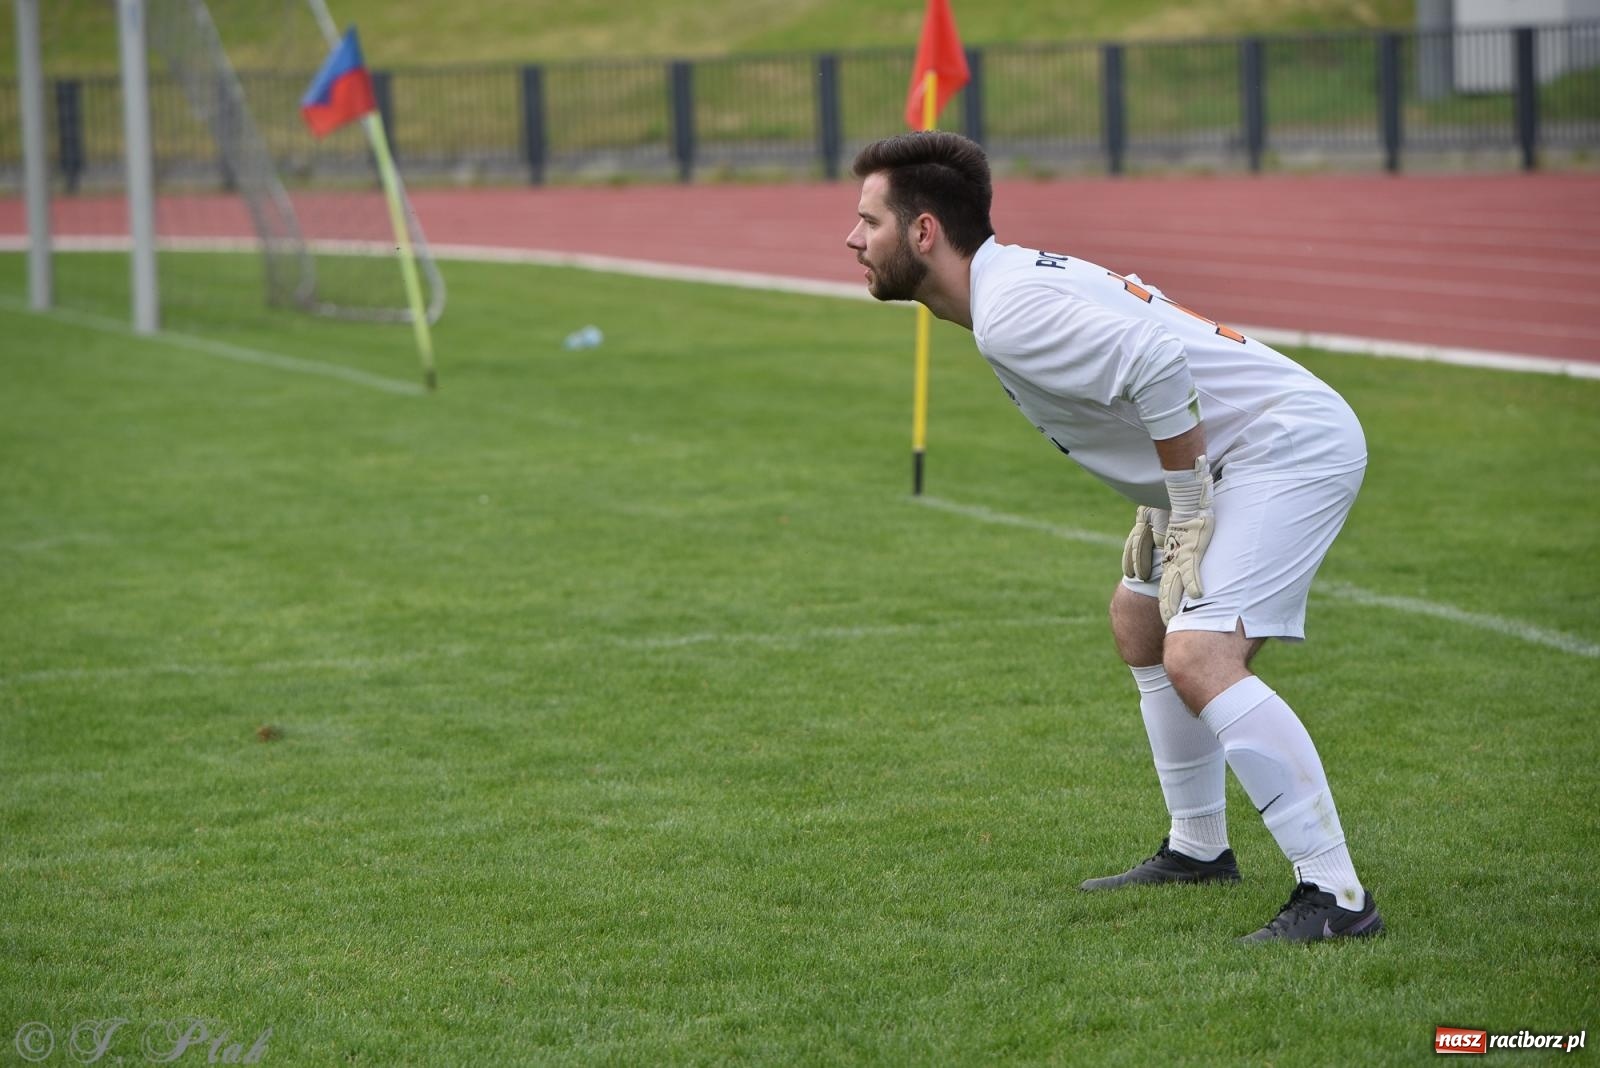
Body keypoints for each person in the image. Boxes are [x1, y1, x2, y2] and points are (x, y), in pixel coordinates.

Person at [844, 131, 1382, 943]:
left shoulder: (1009, 312)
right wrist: (1158, 499)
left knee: (1199, 656)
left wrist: (1187, 500)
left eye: (869, 221)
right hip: (1234, 447)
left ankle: (1337, 896)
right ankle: (1199, 850)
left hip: (1285, 445)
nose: (853, 238)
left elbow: (1159, 364)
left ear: (924, 233)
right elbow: (1144, 360)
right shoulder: (1010, 282)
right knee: (1140, 622)